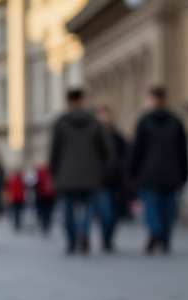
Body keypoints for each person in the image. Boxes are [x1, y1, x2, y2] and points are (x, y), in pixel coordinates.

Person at [49, 88, 112, 254]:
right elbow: (106, 150)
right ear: (83, 99)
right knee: (88, 208)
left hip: (66, 174)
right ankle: (84, 232)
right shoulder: (94, 122)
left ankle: (71, 239)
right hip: (91, 174)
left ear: (67, 100)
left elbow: (55, 151)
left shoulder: (61, 123)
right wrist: (101, 169)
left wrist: (54, 171)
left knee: (68, 209)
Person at [128, 85, 188, 254]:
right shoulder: (176, 121)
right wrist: (184, 175)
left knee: (152, 208)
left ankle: (156, 232)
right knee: (168, 209)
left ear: (151, 99)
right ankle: (165, 240)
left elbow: (137, 150)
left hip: (149, 173)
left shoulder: (144, 121)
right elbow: (183, 151)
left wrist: (132, 172)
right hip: (172, 173)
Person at [97, 105, 128, 253]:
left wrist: (121, 169)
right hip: (101, 181)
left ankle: (109, 239)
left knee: (115, 213)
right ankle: (105, 239)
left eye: (106, 114)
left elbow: (126, 155)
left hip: (116, 181)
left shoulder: (118, 136)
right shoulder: (94, 137)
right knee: (105, 212)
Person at [33, 162, 56, 234]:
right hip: (50, 195)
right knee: (48, 211)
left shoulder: (39, 172)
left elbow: (34, 183)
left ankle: (44, 224)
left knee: (43, 210)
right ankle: (46, 224)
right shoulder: (52, 172)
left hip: (42, 194)